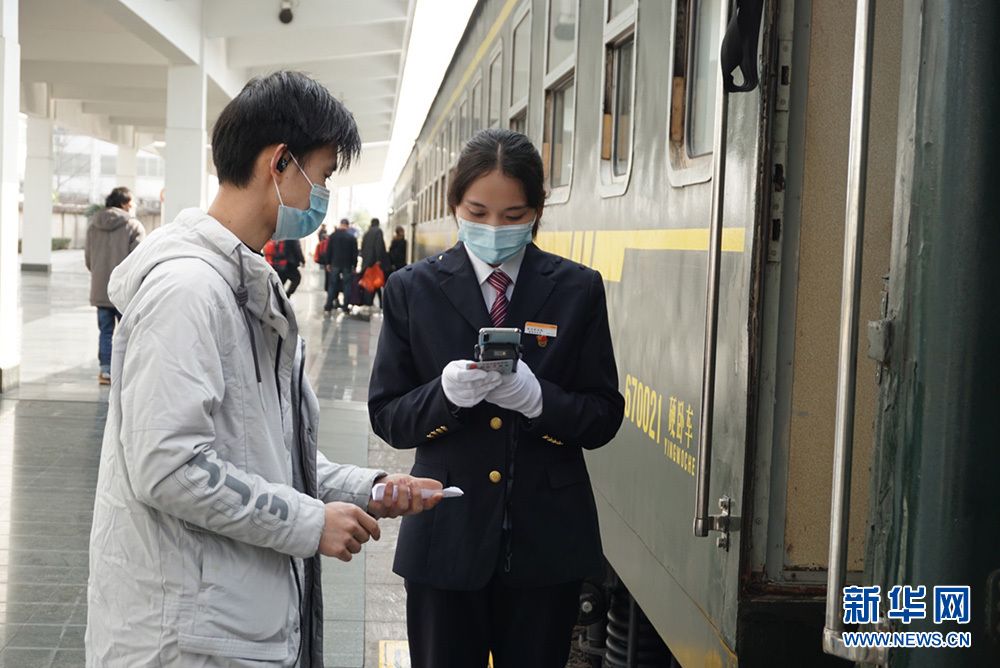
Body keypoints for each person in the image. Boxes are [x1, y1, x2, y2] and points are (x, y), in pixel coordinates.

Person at [86, 71, 444, 667]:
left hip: (229, 626)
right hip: (184, 643)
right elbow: (169, 467)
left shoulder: (243, 286)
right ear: (280, 163)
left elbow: (269, 452)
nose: (322, 195)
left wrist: (371, 490)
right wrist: (309, 523)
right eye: (323, 175)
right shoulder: (188, 291)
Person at [368, 128, 625, 668]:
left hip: (546, 543)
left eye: (513, 217)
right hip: (445, 539)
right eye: (478, 212)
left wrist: (538, 400)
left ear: (537, 211)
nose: (493, 229)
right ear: (454, 205)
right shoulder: (412, 290)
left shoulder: (577, 288)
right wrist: (445, 395)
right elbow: (389, 416)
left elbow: (602, 416)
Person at [84, 186, 145, 385]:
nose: (134, 207)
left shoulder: (94, 224)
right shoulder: (134, 226)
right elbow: (140, 261)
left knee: (106, 331)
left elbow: (88, 259)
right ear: (124, 204)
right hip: (125, 291)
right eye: (132, 203)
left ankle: (105, 371)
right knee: (128, 333)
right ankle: (126, 372)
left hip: (100, 289)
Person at [323, 218, 358, 314]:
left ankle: (328, 306)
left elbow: (328, 250)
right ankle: (345, 307)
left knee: (332, 285)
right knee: (347, 285)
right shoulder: (351, 237)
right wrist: (354, 266)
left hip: (334, 264)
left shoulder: (333, 236)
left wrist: (328, 263)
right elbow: (355, 253)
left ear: (340, 224)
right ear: (347, 226)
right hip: (347, 265)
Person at [359, 217, 388, 307]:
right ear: (378, 224)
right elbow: (379, 246)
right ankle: (378, 303)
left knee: (369, 283)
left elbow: (362, 247)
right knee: (376, 283)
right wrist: (379, 259)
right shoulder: (378, 231)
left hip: (366, 262)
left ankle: (370, 302)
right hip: (374, 262)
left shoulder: (366, 233)